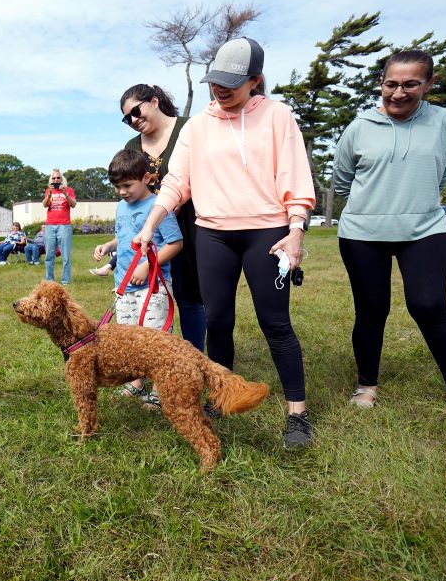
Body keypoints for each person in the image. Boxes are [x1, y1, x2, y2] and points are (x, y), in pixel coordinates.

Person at [133, 37, 317, 449]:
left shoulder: (277, 116)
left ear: (255, 80)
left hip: (266, 233)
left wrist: (296, 230)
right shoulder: (197, 126)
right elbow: (177, 182)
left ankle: (298, 414)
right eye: (215, 80)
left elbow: (295, 178)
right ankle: (221, 396)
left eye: (231, 83)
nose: (220, 89)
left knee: (276, 323)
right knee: (218, 321)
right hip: (213, 233)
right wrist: (150, 224)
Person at [333, 49, 446, 426]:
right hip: (363, 233)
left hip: (424, 229)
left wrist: (414, 202)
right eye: (391, 84)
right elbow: (342, 181)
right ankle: (367, 385)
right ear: (381, 83)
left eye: (411, 84)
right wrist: (376, 207)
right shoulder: (358, 127)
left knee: (429, 307)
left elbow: (443, 171)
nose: (398, 93)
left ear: (430, 83)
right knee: (370, 311)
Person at [119, 83, 207, 352]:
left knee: (190, 296)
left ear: (154, 101)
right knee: (151, 294)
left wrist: (180, 200)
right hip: (150, 233)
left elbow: (208, 171)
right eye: (127, 118)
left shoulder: (189, 128)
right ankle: (150, 361)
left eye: (136, 110)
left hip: (189, 225)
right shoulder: (133, 145)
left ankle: (194, 358)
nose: (134, 120)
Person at [94, 150, 183, 411]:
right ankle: (136, 381)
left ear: (146, 178)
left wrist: (146, 266)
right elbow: (123, 237)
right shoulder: (122, 206)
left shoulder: (158, 208)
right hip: (125, 287)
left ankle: (159, 389)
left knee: (155, 340)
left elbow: (175, 244)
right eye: (117, 187)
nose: (122, 192)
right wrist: (108, 245)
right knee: (129, 338)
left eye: (127, 185)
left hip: (153, 288)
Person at [42, 168, 76, 284]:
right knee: (49, 255)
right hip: (50, 226)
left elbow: (73, 204)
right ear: (51, 180)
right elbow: (45, 205)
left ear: (62, 179)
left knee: (65, 256)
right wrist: (50, 193)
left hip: (64, 226)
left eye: (58, 178)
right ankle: (49, 281)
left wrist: (65, 194)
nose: (56, 180)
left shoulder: (69, 190)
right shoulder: (48, 190)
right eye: (54, 178)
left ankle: (65, 280)